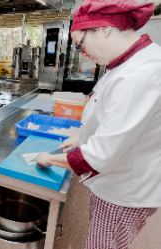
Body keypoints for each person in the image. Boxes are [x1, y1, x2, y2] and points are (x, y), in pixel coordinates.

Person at [35, 0, 160, 248]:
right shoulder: (126, 63)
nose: (83, 53)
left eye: (81, 44)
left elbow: (98, 156)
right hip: (123, 178)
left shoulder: (137, 75)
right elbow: (116, 121)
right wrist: (83, 138)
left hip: (122, 192)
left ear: (104, 28)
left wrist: (48, 159)